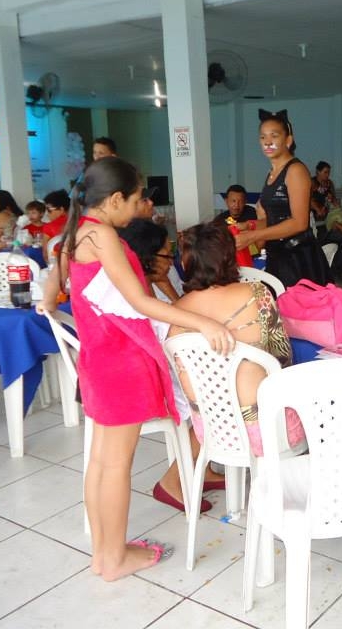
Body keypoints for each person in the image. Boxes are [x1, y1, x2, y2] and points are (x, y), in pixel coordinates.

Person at [37, 156, 234, 581]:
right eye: (137, 198)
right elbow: (141, 302)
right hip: (123, 362)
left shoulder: (74, 233)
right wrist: (203, 323)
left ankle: (104, 553)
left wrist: (54, 305)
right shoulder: (103, 235)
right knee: (116, 465)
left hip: (98, 360)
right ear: (114, 200)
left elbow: (53, 292)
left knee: (100, 462)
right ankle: (114, 559)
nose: (141, 206)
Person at [163, 223, 305, 507]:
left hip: (212, 430)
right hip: (267, 431)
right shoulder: (257, 293)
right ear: (229, 257)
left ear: (186, 262)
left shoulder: (175, 313)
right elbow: (282, 358)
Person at [116, 219, 222, 513]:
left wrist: (162, 283)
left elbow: (177, 312)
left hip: (155, 368)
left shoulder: (142, 286)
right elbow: (176, 328)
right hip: (147, 382)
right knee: (222, 399)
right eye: (166, 254)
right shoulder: (138, 299)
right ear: (147, 259)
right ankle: (172, 481)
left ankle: (203, 467)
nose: (171, 261)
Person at [234, 109, 329, 288]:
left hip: (298, 259)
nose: (267, 142)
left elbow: (299, 223)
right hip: (278, 256)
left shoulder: (295, 170)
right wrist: (250, 225)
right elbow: (275, 219)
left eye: (274, 136)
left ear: (288, 140)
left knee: (297, 306)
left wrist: (254, 235)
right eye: (263, 137)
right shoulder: (272, 173)